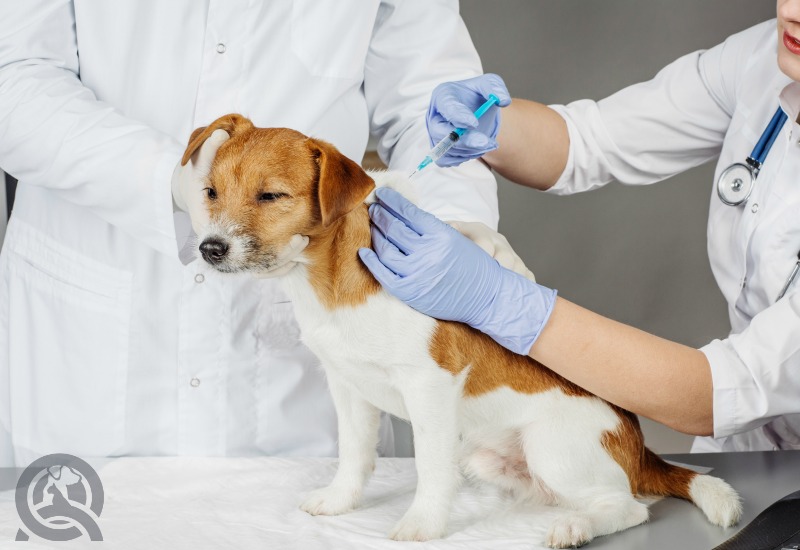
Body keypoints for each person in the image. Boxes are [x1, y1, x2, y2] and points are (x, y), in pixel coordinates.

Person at [0, 1, 501, 467]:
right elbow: (14, 76)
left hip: (301, 393)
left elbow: (429, 108)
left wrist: (454, 223)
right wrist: (166, 178)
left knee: (316, 510)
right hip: (88, 350)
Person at [360, 1, 800, 452]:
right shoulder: (762, 57)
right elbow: (586, 141)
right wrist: (492, 125)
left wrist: (502, 302)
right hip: (751, 449)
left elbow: (720, 391)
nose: (790, 9)